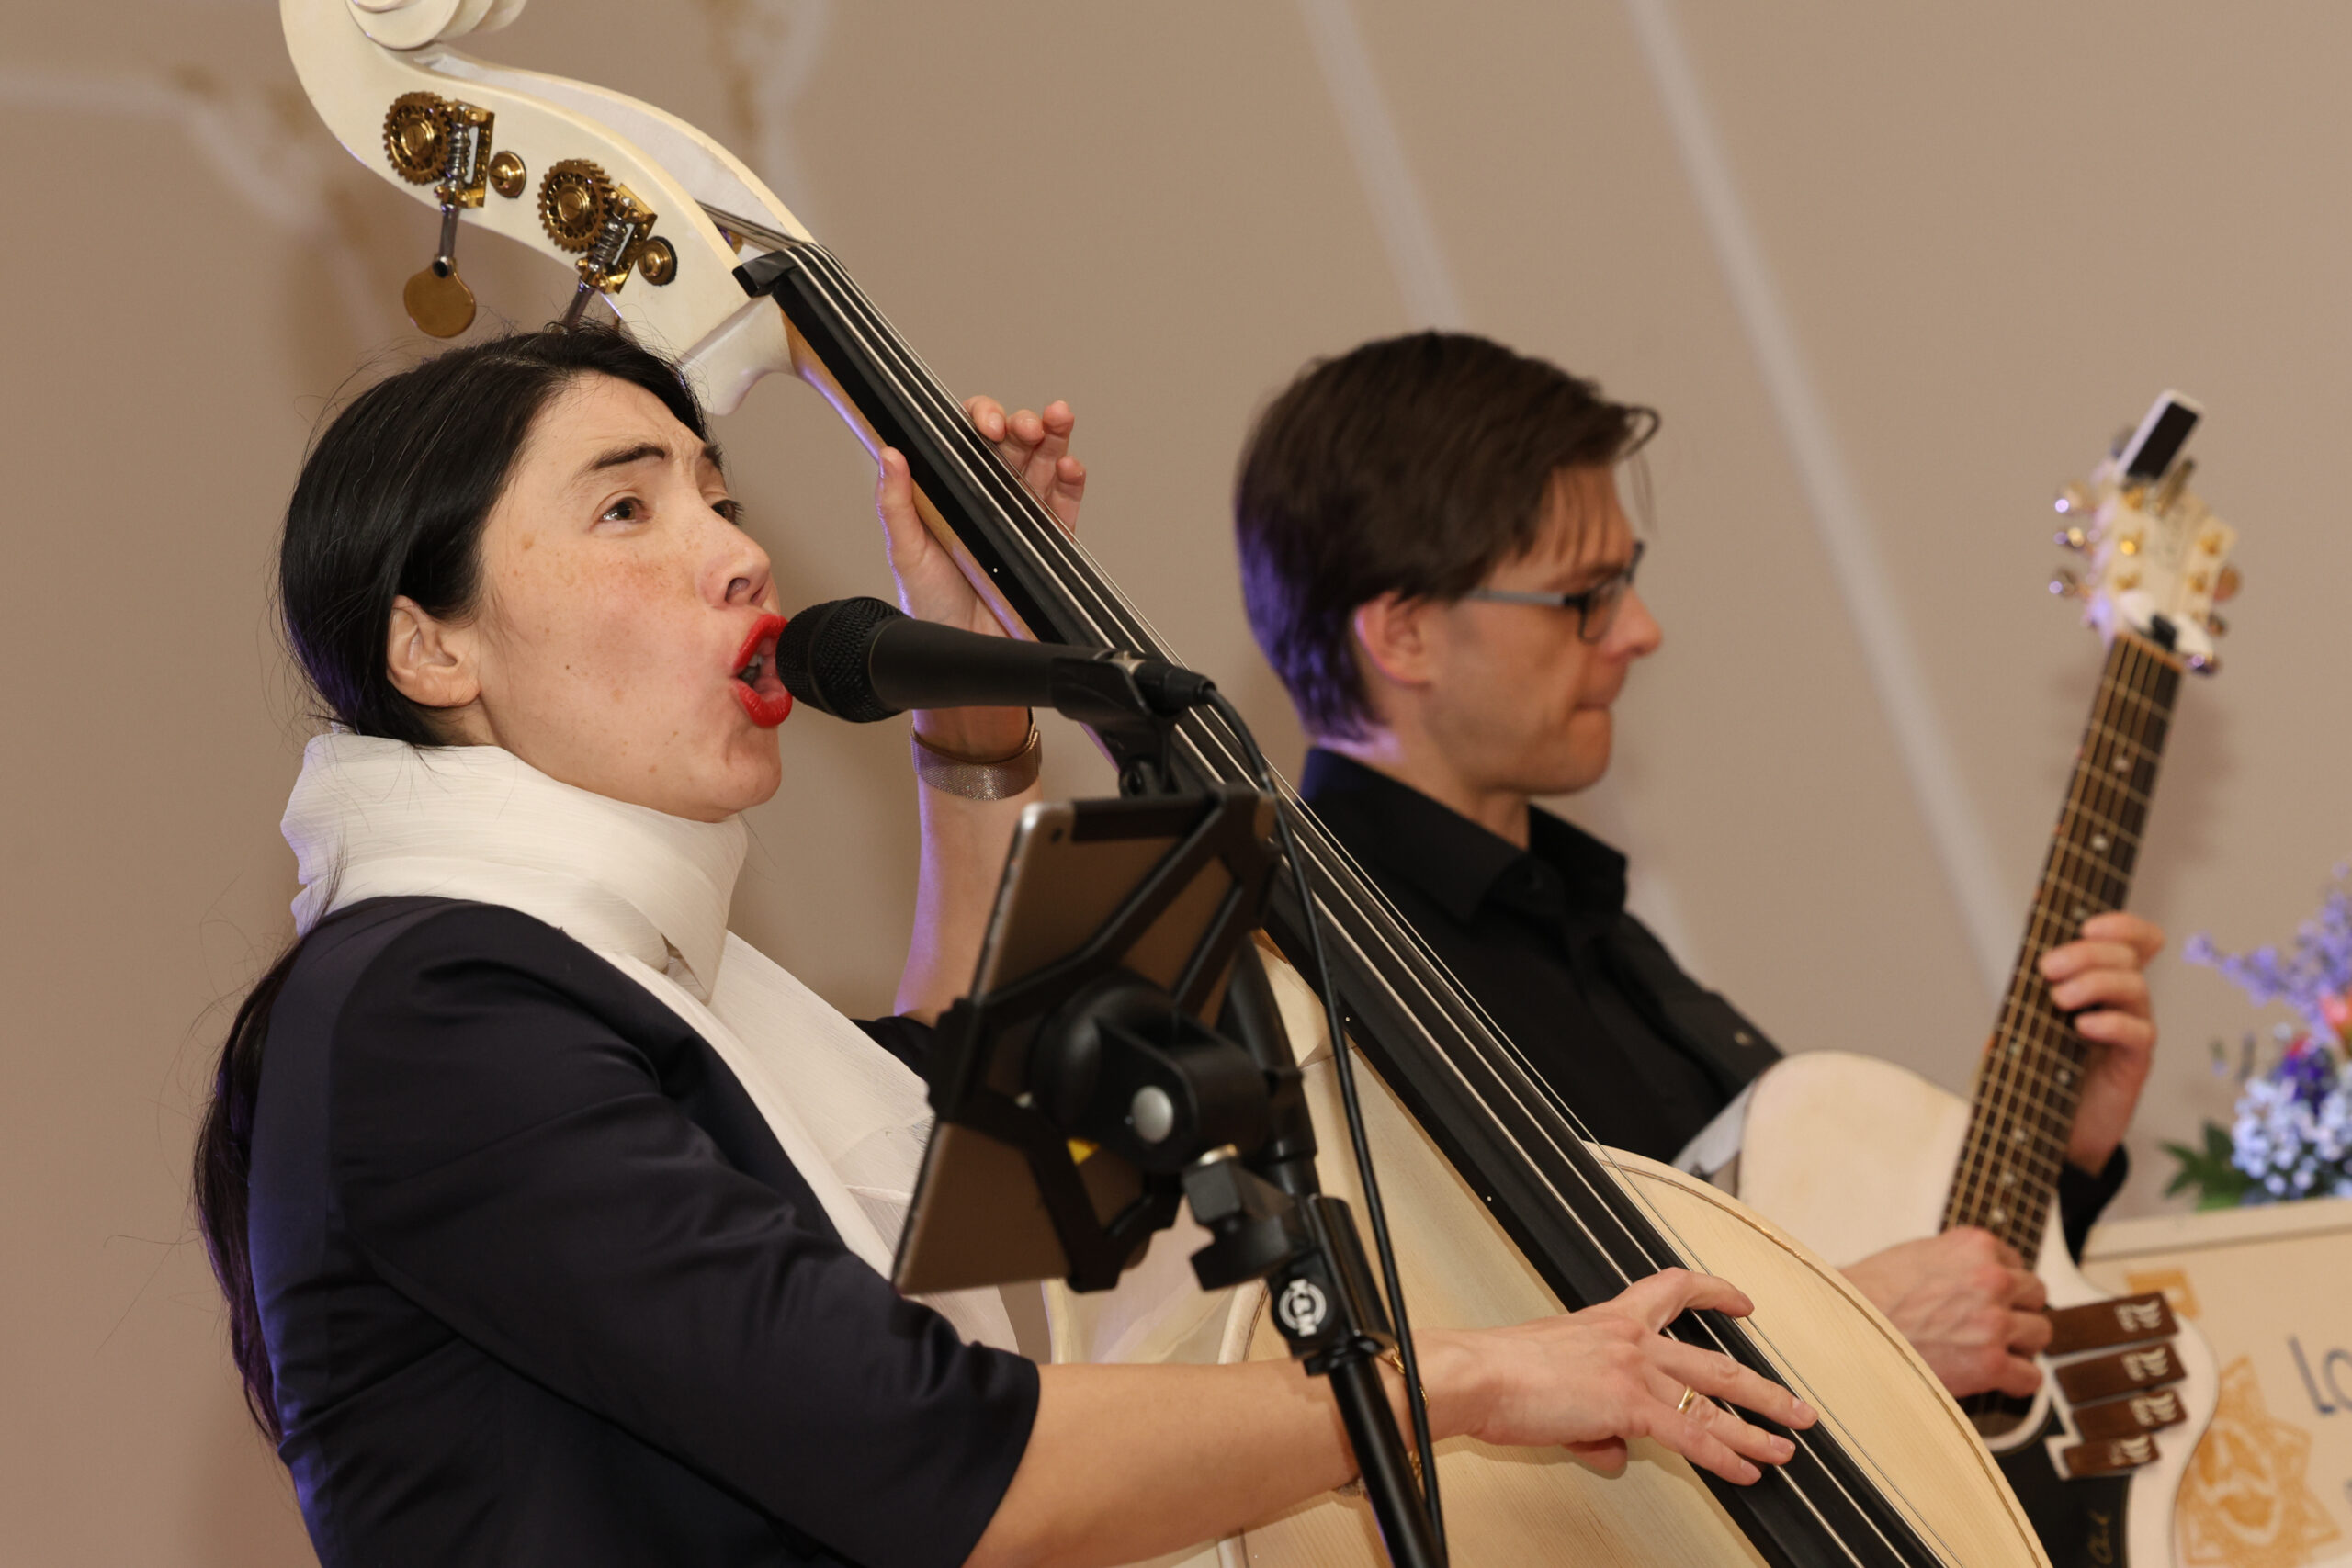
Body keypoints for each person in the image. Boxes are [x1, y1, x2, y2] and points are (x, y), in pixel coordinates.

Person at [192, 325, 1814, 1568]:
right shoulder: (430, 1008)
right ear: (430, 646)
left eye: (721, 494)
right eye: (627, 505)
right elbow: (927, 1447)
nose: (740, 549)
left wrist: (973, 718)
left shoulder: (578, 979)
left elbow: (954, 1156)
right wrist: (1465, 1382)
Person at [1230, 331, 2166, 1404]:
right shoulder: (1302, 974)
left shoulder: (1584, 924)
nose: (1640, 630)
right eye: (1585, 595)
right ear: (1402, 636)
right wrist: (1858, 1329)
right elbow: (1445, 1403)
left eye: (1626, 581)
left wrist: (2055, 1157)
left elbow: (1845, 1293)